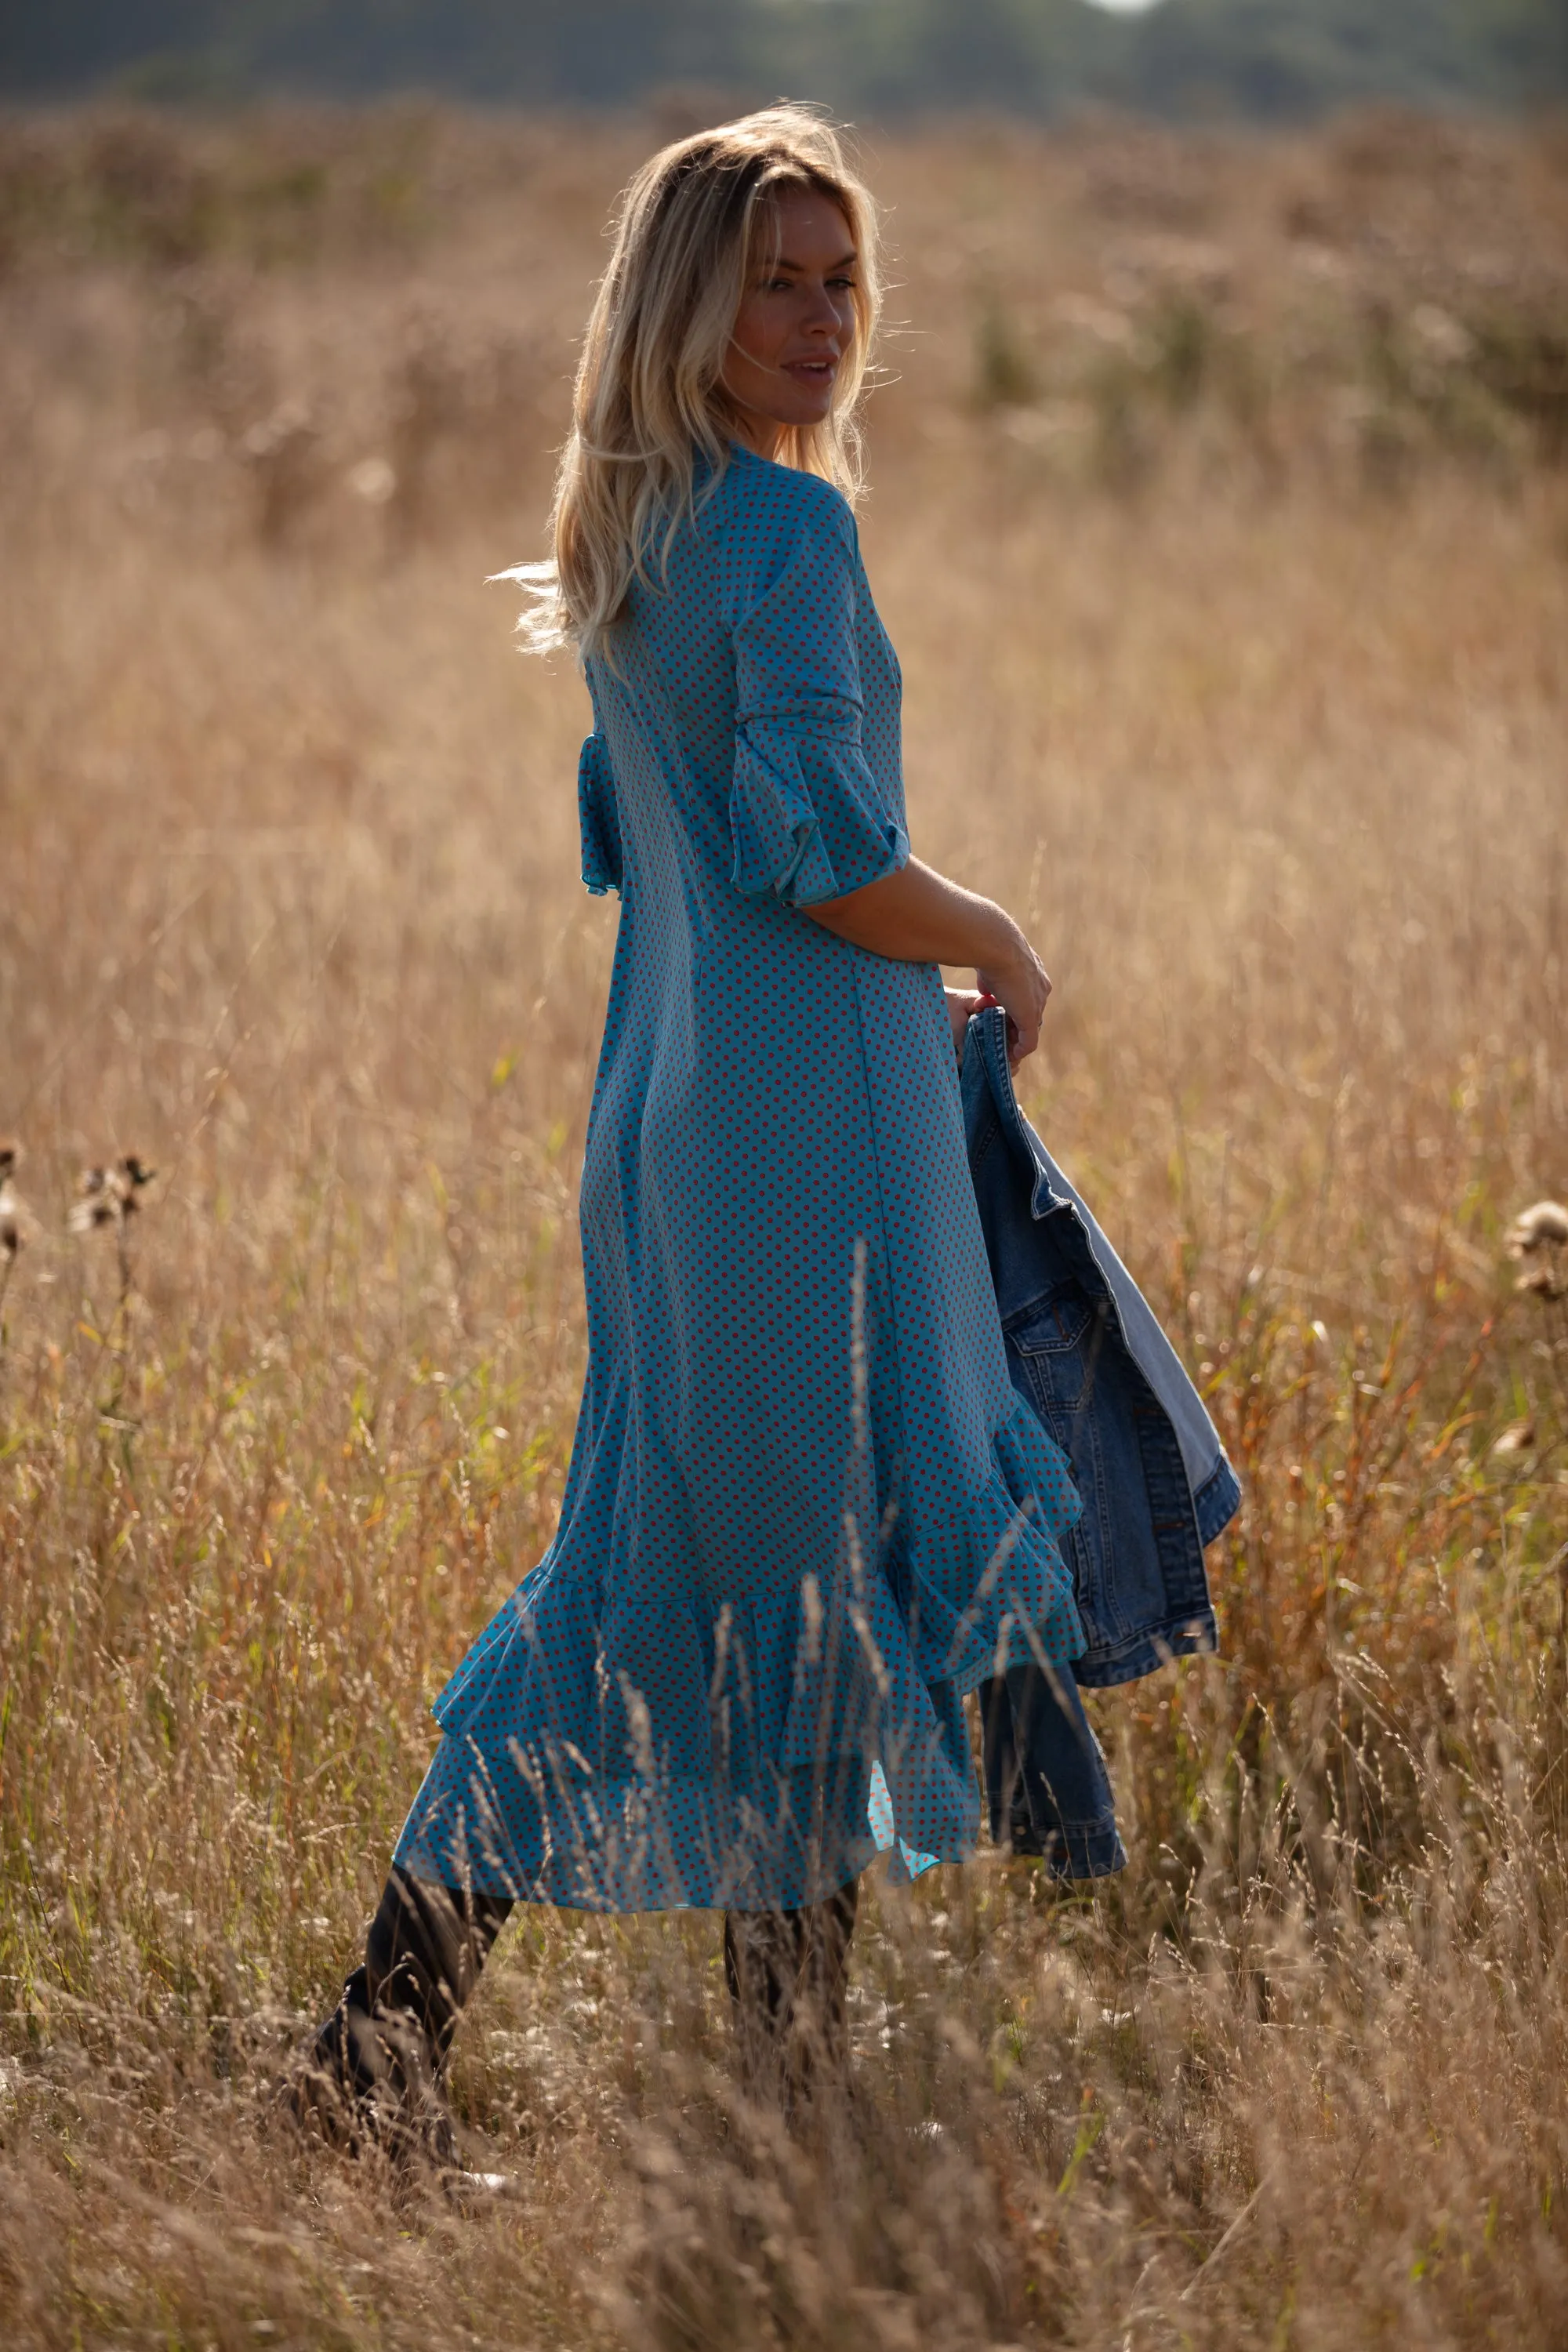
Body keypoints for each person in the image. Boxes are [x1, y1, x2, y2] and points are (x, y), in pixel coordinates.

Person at [297, 105, 1085, 2155]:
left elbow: (651, 837)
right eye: (780, 280)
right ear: (692, 304)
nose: (825, 317)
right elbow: (815, 848)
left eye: (844, 279)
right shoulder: (788, 531)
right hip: (802, 1149)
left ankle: (370, 2069)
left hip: (673, 1132)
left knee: (645, 1587)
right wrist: (986, 928)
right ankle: (769, 2114)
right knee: (806, 1604)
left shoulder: (633, 529)